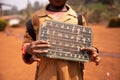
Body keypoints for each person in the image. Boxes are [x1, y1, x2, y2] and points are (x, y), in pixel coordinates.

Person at [21, 0, 101, 80]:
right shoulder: (36, 18)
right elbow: (27, 44)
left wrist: (93, 52)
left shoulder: (78, 19)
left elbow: (85, 47)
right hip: (46, 75)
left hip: (72, 76)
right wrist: (28, 49)